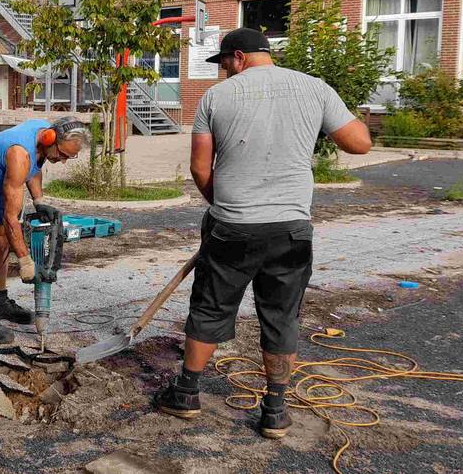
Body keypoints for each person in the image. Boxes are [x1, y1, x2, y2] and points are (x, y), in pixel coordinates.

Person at [153, 28, 372, 438]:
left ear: (239, 57)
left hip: (232, 227)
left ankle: (186, 394)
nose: (224, 73)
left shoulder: (216, 98)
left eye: (224, 65)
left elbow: (200, 168)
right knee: (281, 315)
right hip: (290, 229)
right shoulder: (315, 89)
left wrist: (225, 206)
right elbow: (360, 144)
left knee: (210, 308)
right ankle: (274, 410)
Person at [0, 116, 91, 343]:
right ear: (50, 139)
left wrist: (38, 201)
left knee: (2, 242)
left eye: (69, 157)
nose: (63, 161)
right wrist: (26, 261)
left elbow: (34, 167)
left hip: (0, 183)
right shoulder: (19, 154)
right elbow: (10, 218)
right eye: (63, 155)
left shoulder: (42, 138)